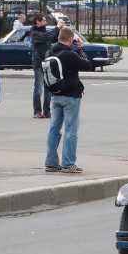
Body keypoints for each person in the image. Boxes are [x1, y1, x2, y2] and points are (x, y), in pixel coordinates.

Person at [43, 26, 92, 174]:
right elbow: (87, 65)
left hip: (55, 94)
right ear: (70, 39)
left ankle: (51, 163)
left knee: (54, 129)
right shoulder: (70, 54)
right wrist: (81, 48)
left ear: (59, 37)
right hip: (71, 96)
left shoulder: (49, 52)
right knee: (71, 130)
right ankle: (68, 163)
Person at [31, 13, 63, 118]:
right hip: (39, 63)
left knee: (48, 88)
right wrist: (56, 27)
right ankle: (37, 111)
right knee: (38, 88)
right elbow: (46, 37)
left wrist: (59, 30)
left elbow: (51, 38)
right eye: (44, 20)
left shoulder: (44, 31)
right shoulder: (34, 32)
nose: (45, 22)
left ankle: (46, 111)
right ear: (38, 21)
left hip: (47, 63)